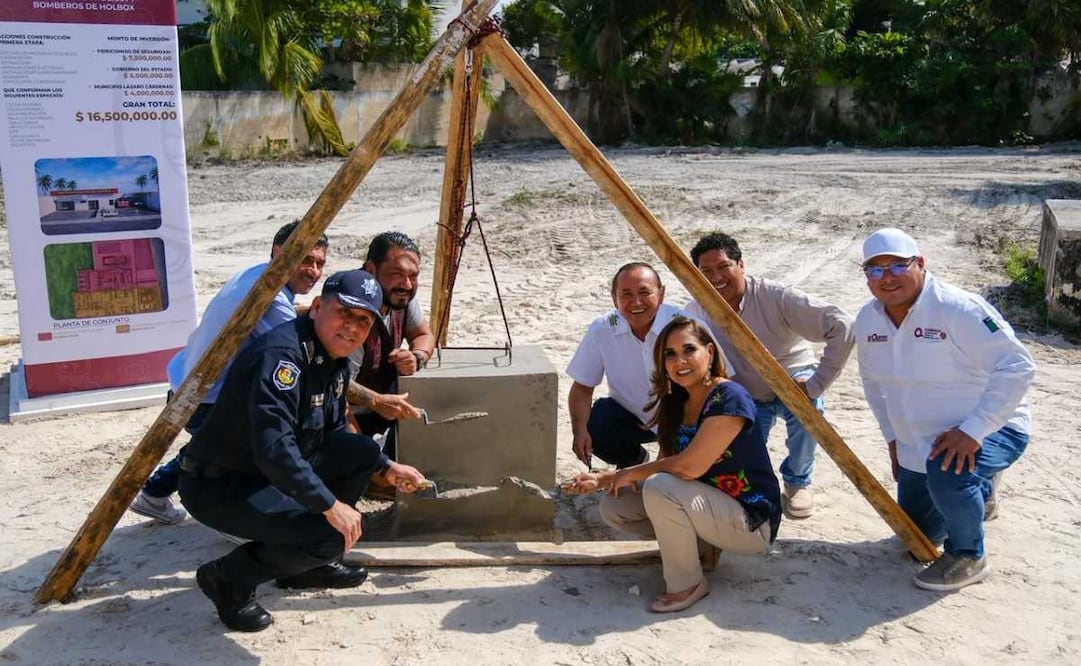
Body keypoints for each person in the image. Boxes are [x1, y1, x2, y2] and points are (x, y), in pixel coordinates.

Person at [179, 270, 428, 632]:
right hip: (222, 484)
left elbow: (330, 433)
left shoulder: (334, 358)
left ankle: (304, 567)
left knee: (360, 452)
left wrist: (387, 466)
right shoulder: (284, 357)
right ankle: (228, 578)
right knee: (330, 535)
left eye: (363, 320)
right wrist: (328, 505)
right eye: (344, 312)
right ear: (316, 308)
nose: (352, 327)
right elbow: (274, 448)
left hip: (265, 473)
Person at [855, 228, 1035, 591]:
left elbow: (1018, 366)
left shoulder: (958, 308)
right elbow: (874, 385)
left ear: (920, 263)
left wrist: (973, 430)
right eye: (875, 270)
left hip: (988, 427)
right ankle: (978, 491)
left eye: (897, 266)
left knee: (949, 471)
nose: (886, 278)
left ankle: (969, 554)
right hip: (917, 438)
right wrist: (893, 438)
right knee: (917, 537)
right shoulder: (868, 319)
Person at [567, 316, 781, 613]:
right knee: (617, 506)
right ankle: (702, 551)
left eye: (688, 350)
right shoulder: (675, 402)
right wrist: (606, 480)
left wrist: (624, 473)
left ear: (710, 352)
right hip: (707, 507)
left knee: (660, 487)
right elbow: (664, 463)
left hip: (750, 521)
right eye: (670, 354)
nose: (680, 360)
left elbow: (687, 468)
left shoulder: (729, 396)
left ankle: (687, 584)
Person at [129, 221, 328, 525]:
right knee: (257, 443)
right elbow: (296, 350)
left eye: (319, 264)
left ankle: (154, 492)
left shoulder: (255, 274)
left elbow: (287, 315)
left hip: (184, 381)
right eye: (306, 259)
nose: (313, 271)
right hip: (205, 399)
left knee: (207, 446)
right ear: (279, 253)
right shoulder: (271, 297)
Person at [683, 231, 854, 518]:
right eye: (706, 271)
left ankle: (797, 483)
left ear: (741, 265)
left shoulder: (776, 296)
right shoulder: (695, 311)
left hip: (793, 378)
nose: (716, 277)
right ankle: (761, 489)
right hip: (747, 391)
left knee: (808, 413)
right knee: (743, 448)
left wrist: (817, 383)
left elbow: (843, 325)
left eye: (724, 266)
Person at [567, 262, 714, 470]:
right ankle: (632, 459)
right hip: (635, 416)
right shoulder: (602, 329)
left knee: (674, 476)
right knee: (598, 422)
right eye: (626, 294)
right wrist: (579, 430)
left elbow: (717, 383)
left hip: (686, 415)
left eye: (645, 292)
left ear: (661, 294)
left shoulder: (685, 326)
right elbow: (582, 386)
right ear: (614, 297)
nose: (636, 302)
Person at [348, 232, 435, 459]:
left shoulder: (400, 298)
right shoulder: (354, 311)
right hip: (343, 416)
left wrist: (416, 357)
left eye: (413, 276)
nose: (406, 284)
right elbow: (333, 389)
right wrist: (368, 462)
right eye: (396, 274)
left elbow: (424, 334)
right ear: (371, 270)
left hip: (380, 409)